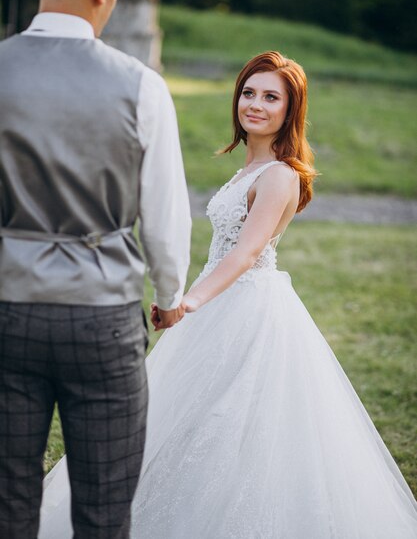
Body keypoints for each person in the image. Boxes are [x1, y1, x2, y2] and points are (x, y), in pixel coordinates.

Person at [39, 51, 417, 538]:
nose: (255, 104)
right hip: (219, 302)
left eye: (270, 97)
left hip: (248, 307)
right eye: (248, 92)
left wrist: (190, 302)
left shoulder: (279, 174)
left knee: (233, 421)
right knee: (184, 415)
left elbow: (244, 254)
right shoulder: (247, 170)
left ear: (290, 109)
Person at [0, 0, 191, 538]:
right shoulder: (140, 86)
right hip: (102, 319)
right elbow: (164, 216)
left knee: (6, 501)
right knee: (106, 508)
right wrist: (167, 298)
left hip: (7, 311)